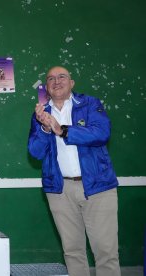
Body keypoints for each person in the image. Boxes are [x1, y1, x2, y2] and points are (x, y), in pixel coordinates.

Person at [28, 66, 120, 276]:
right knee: (72, 251)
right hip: (59, 190)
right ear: (46, 87)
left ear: (72, 83)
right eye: (51, 78)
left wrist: (62, 130)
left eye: (62, 77)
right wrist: (44, 128)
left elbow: (101, 133)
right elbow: (35, 151)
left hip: (98, 187)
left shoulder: (90, 104)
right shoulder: (41, 113)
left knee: (106, 251)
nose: (56, 81)